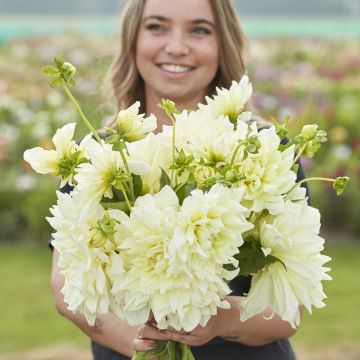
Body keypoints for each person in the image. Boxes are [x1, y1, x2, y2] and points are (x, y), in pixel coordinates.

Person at [51, 0, 301, 359]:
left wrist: (221, 319)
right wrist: (139, 341)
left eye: (200, 30)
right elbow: (65, 284)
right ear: (133, 40)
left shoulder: (264, 152)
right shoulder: (96, 156)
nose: (176, 46)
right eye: (157, 26)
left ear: (222, 44)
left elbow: (290, 307)